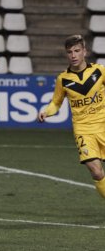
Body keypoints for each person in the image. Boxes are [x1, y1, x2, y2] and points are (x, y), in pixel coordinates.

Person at [38, 34, 105, 199]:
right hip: (83, 130)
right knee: (96, 172)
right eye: (69, 52)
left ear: (85, 52)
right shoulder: (63, 79)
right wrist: (46, 111)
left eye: (77, 51)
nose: (73, 55)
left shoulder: (99, 71)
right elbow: (56, 102)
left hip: (103, 124)